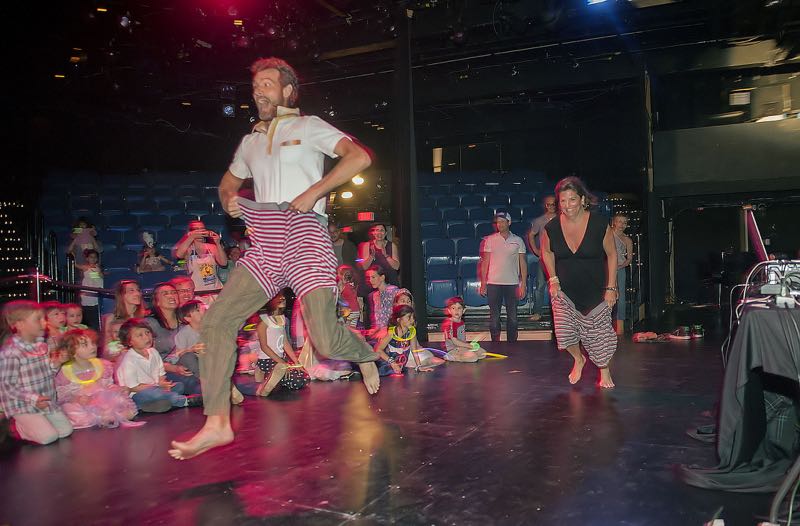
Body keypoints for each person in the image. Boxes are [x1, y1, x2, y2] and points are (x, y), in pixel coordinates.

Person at [169, 57, 380, 461]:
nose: (258, 89)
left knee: (323, 336)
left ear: (288, 91)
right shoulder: (249, 142)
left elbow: (359, 158)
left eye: (268, 83)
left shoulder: (309, 125)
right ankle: (216, 424)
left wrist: (315, 192)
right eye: (256, 85)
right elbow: (228, 185)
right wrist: (230, 202)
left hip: (305, 235)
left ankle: (366, 354)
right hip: (265, 240)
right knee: (216, 322)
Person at [540, 177, 618, 389]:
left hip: (597, 289)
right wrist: (553, 280)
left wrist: (612, 287)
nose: (567, 205)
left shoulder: (600, 224)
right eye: (563, 201)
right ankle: (579, 359)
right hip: (565, 291)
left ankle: (604, 370)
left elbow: (612, 254)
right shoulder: (552, 227)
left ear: (582, 199)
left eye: (572, 200)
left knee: (599, 336)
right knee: (565, 334)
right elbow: (546, 252)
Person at [0, 301, 73, 445]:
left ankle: (39, 423)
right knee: (48, 437)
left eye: (44, 319)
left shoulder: (41, 346)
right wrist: (33, 399)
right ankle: (15, 426)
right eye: (38, 320)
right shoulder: (11, 352)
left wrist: (57, 363)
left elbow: (48, 374)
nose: (44, 323)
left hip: (46, 401)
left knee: (66, 431)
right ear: (19, 324)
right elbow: (7, 386)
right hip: (23, 405)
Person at [54, 329, 141, 429]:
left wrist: (116, 389)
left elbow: (108, 385)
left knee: (120, 400)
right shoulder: (64, 372)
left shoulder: (104, 365)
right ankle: (100, 418)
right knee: (70, 409)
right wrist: (76, 399)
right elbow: (62, 396)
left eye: (93, 343)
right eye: (85, 345)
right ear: (72, 351)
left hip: (102, 400)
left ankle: (108, 416)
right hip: (82, 402)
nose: (92, 347)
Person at [115, 318, 202, 413]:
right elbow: (133, 387)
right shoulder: (129, 361)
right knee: (154, 393)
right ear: (129, 342)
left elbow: (160, 373)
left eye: (147, 332)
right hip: (138, 393)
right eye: (140, 335)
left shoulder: (153, 352)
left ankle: (158, 403)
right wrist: (157, 386)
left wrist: (163, 383)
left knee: (179, 386)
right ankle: (184, 401)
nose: (146, 337)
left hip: (156, 388)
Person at [479, 212, 527, 342]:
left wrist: (523, 283)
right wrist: (483, 283)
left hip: (512, 283)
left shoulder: (518, 240)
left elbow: (523, 262)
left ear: (509, 222)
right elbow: (485, 262)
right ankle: (496, 343)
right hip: (494, 283)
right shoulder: (490, 240)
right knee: (494, 317)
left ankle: (512, 344)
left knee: (513, 317)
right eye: (497, 222)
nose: (499, 224)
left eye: (502, 221)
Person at [145, 283, 201, 395]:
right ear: (157, 301)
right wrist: (174, 368)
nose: (171, 296)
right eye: (165, 294)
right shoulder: (150, 323)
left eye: (174, 292)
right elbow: (147, 357)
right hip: (164, 369)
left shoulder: (186, 321)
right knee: (191, 380)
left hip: (190, 363)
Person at [254, 293, 310, 397]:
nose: (283, 298)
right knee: (295, 381)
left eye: (283, 297)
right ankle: (264, 375)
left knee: (304, 378)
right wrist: (283, 363)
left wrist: (297, 363)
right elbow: (264, 347)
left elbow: (285, 342)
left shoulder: (282, 318)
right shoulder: (264, 320)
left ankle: (272, 379)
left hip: (281, 360)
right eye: (278, 297)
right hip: (267, 360)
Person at [373, 305, 443, 376]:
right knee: (390, 372)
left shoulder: (411, 332)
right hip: (387, 360)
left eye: (413, 317)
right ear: (399, 319)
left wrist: (419, 366)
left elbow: (414, 351)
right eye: (409, 317)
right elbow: (378, 350)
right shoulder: (392, 333)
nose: (412, 320)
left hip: (401, 361)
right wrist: (392, 362)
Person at [173, 220, 227, 295]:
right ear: (190, 232)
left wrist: (218, 243)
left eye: (202, 228)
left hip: (216, 290)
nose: (200, 231)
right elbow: (178, 255)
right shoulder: (189, 248)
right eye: (197, 229)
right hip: (197, 291)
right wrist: (191, 237)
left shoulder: (212, 247)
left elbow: (224, 263)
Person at [526, 195, 557, 321]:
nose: (551, 207)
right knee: (540, 286)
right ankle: (538, 312)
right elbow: (531, 235)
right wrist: (535, 250)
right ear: (546, 206)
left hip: (560, 258)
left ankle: (561, 314)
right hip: (544, 258)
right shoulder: (540, 220)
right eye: (549, 204)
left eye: (553, 204)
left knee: (561, 286)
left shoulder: (562, 219)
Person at [102, 280, 147, 360]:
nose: (137, 294)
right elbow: (106, 352)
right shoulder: (112, 319)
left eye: (138, 290)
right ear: (122, 295)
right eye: (131, 291)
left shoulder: (145, 316)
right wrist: (114, 353)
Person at [440, 296, 486, 362]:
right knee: (473, 358)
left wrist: (468, 346)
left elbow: (461, 339)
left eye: (459, 308)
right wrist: (468, 346)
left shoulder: (461, 322)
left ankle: (465, 354)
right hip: (453, 349)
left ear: (463, 310)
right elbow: (455, 341)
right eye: (453, 308)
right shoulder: (449, 324)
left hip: (462, 347)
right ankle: (452, 356)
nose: (456, 310)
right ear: (449, 310)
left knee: (482, 353)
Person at [610, 214, 634, 335]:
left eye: (624, 222)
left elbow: (629, 259)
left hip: (619, 269)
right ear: (614, 222)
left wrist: (621, 265)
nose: (622, 225)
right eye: (619, 222)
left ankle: (620, 326)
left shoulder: (627, 240)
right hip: (606, 269)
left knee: (621, 295)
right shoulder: (607, 235)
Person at [366, 266, 399, 339]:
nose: (370, 280)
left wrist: (386, 330)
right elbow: (377, 319)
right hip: (380, 333)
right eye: (369, 278)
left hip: (392, 332)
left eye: (373, 277)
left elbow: (398, 316)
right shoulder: (373, 295)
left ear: (382, 277)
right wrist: (374, 330)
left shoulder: (393, 291)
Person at [74, 249, 103, 330]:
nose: (93, 259)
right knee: (88, 310)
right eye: (91, 257)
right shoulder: (85, 267)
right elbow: (75, 265)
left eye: (95, 257)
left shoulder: (98, 267)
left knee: (96, 310)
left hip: (97, 289)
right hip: (88, 291)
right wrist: (73, 255)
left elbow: (99, 277)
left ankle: (95, 327)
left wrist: (102, 274)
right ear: (87, 258)